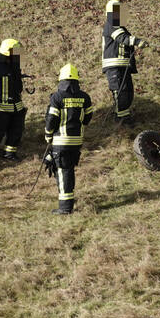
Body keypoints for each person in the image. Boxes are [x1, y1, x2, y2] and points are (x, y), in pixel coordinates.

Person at [43, 63, 93, 215]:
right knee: (69, 171)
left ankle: (65, 208)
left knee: (63, 173)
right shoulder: (84, 97)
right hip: (76, 141)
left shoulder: (57, 97)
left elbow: (51, 119)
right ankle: (68, 202)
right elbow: (88, 117)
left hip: (60, 142)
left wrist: (48, 134)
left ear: (61, 80)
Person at [101, 0, 147, 125]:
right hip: (114, 66)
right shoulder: (112, 24)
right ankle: (121, 121)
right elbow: (122, 38)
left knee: (127, 92)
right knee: (120, 92)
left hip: (122, 65)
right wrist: (137, 42)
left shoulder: (118, 25)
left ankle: (125, 118)